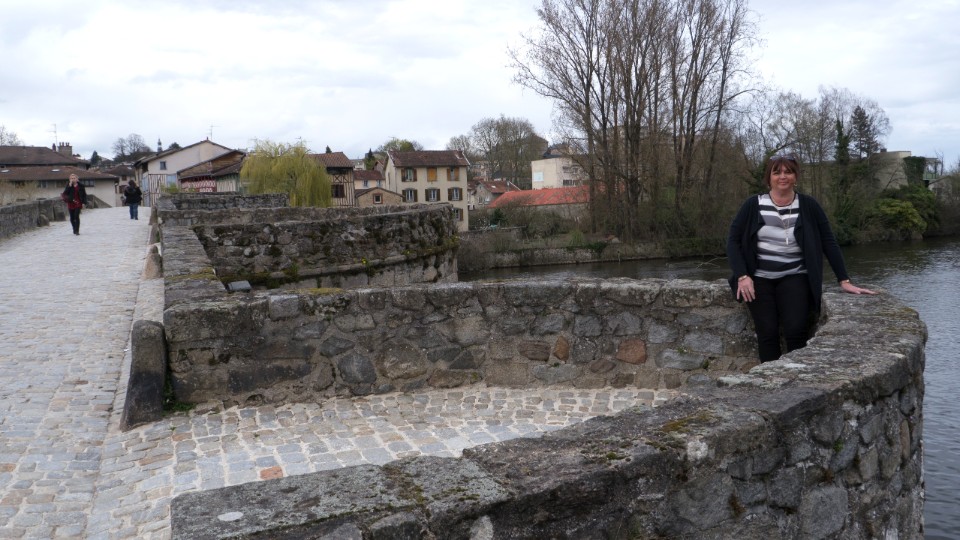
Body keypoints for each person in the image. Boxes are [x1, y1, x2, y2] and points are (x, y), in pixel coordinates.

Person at [726, 154, 875, 362]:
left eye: (788, 172)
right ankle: (771, 379)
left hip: (795, 276)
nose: (783, 176)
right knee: (767, 332)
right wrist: (742, 275)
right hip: (759, 277)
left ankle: (796, 377)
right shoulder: (753, 205)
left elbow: (829, 242)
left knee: (796, 330)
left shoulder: (808, 205)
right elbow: (732, 241)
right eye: (777, 172)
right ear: (769, 178)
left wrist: (844, 279)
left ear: (795, 177)